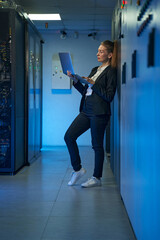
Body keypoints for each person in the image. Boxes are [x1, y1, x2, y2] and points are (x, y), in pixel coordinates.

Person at [64, 40, 117, 188]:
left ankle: (96, 178)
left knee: (97, 145)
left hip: (99, 113)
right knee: (69, 136)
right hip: (86, 110)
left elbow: (109, 96)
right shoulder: (95, 69)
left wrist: (94, 84)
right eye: (98, 51)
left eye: (101, 51)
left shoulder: (111, 71)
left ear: (110, 54)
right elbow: (86, 92)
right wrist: (75, 81)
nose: (98, 53)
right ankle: (78, 169)